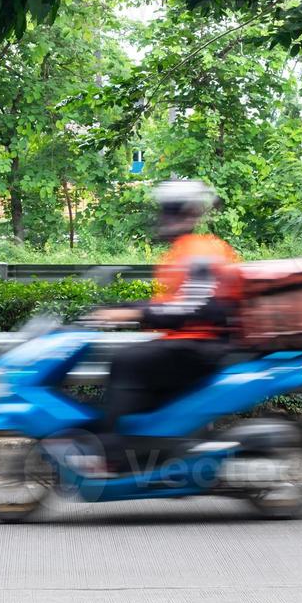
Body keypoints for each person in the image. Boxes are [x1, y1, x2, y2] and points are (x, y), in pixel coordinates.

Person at [86, 179, 242, 473]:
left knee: (127, 362)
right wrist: (123, 310)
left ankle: (113, 455)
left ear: (189, 214)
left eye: (170, 211)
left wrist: (134, 314)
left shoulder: (197, 252)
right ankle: (148, 446)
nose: (164, 218)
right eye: (165, 210)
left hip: (202, 346)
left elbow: (191, 307)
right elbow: (171, 302)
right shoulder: (185, 250)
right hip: (193, 342)